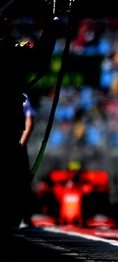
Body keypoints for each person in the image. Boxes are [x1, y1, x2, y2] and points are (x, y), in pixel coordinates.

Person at [1, 12, 63, 229]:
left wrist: (52, 28)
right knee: (17, 169)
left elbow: (39, 61)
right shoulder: (10, 52)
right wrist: (53, 27)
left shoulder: (11, 51)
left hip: (10, 130)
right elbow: (40, 61)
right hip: (8, 129)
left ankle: (20, 212)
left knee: (18, 171)